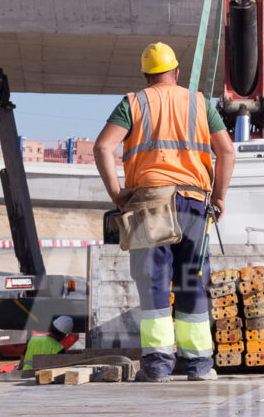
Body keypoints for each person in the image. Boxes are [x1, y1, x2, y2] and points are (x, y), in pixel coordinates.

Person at [93, 42, 236, 382]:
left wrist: (116, 194)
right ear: (176, 72)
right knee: (192, 282)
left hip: (150, 202)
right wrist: (218, 197)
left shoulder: (134, 103)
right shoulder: (200, 103)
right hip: (194, 202)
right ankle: (199, 366)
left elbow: (102, 147)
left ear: (146, 75)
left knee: (154, 283)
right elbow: (227, 152)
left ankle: (157, 367)